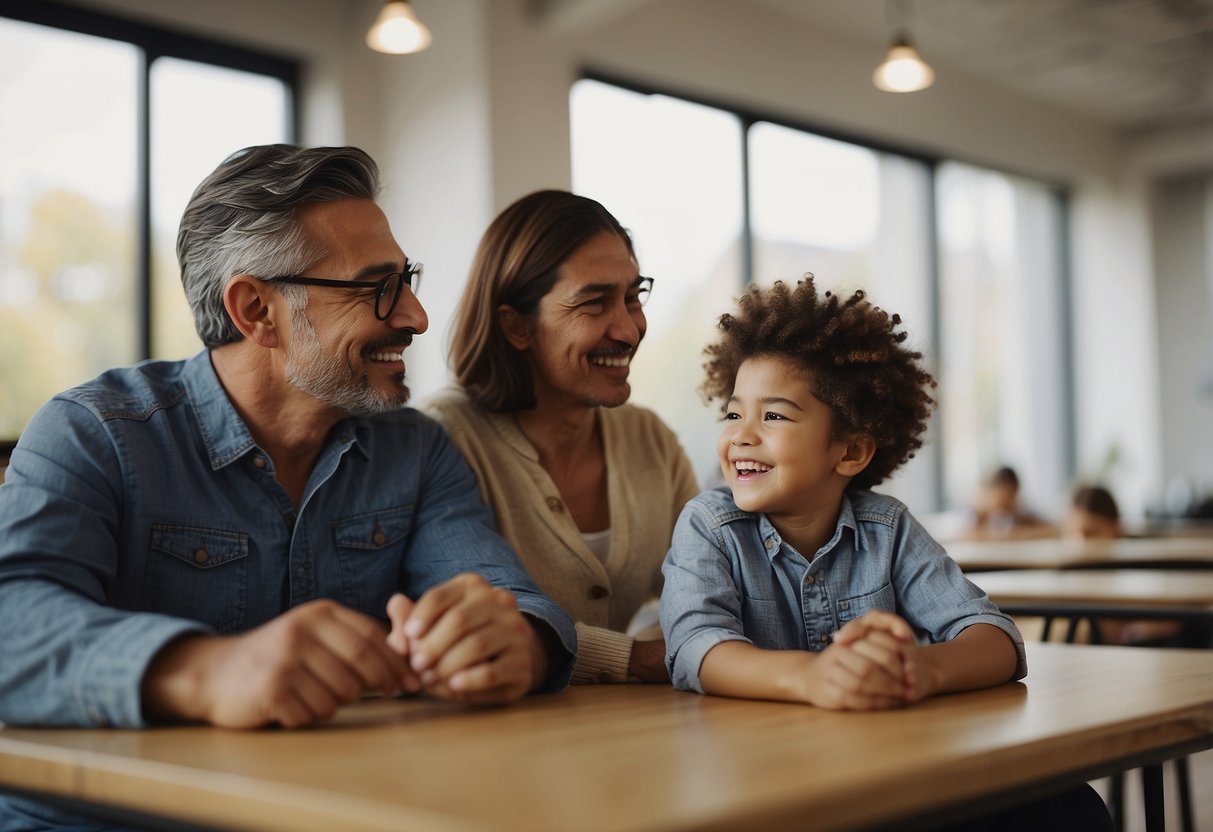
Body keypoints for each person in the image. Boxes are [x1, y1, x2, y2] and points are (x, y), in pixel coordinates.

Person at [0, 145, 576, 828]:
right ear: (255, 309)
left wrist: (515, 640)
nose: (417, 316)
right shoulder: (95, 432)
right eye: (377, 287)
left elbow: (511, 600)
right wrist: (206, 671)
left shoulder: (415, 450)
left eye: (407, 279)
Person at [661, 279, 1110, 831]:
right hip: (755, 780)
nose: (742, 436)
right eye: (733, 415)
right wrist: (813, 678)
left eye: (773, 417)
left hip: (885, 769)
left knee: (1072, 805)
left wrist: (918, 671)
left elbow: (994, 639)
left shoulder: (888, 528)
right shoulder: (709, 526)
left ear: (850, 450)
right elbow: (696, 648)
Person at [421, 190, 699, 684]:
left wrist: (678, 637)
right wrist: (635, 657)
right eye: (594, 303)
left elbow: (710, 589)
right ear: (516, 326)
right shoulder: (443, 440)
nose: (630, 330)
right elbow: (475, 628)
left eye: (633, 297)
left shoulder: (649, 438)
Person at [961, 465, 1056, 540]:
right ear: (990, 492)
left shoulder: (1020, 513)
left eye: (1011, 497)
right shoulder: (974, 514)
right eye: (1002, 499)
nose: (1006, 504)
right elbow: (960, 535)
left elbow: (1053, 529)